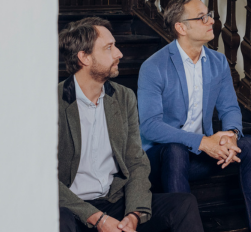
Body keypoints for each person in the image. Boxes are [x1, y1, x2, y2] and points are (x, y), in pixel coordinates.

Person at [137, 0, 251, 232]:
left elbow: (230, 108)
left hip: (200, 155)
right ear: (181, 27)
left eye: (209, 15)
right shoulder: (153, 66)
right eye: (202, 17)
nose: (211, 21)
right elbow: (150, 126)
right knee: (175, 150)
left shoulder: (218, 61)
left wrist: (231, 135)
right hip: (160, 161)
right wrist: (203, 142)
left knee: (250, 145)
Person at [58, 17, 204, 232]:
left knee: (183, 204)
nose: (119, 54)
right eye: (109, 48)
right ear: (84, 57)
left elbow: (136, 162)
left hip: (113, 200)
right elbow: (42, 179)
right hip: (72, 207)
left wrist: (134, 213)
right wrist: (96, 218)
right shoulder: (51, 102)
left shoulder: (124, 97)